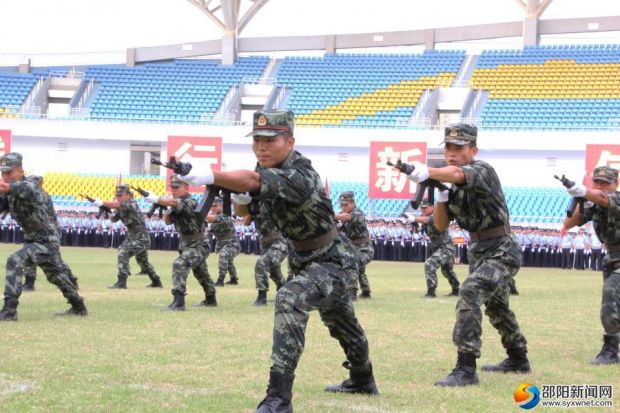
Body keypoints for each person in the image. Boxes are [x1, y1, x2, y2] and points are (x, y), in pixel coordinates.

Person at [183, 109, 378, 412]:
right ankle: (363, 378)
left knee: (289, 298)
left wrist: (211, 175)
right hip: (301, 259)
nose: (261, 146)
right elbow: (248, 217)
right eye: (257, 139)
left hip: (333, 260)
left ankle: (278, 399)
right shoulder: (263, 170)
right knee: (342, 322)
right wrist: (243, 200)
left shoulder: (301, 174)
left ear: (289, 142)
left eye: (269, 139)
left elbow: (252, 179)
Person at [403, 124, 530, 386]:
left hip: (502, 248)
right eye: (448, 147)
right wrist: (440, 196)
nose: (451, 152)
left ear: (473, 149)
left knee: (470, 291)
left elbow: (459, 173)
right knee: (497, 306)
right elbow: (440, 225)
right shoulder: (450, 185)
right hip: (478, 251)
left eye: (458, 147)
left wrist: (428, 171)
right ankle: (518, 357)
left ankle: (466, 368)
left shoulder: (483, 171)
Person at [0, 153, 87, 320]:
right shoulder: (9, 193)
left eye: (9, 172)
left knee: (15, 260)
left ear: (20, 171)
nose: (6, 177)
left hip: (47, 237)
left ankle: (9, 310)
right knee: (55, 275)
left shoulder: (29, 185)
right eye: (3, 173)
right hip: (32, 237)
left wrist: (6, 187)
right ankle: (79, 306)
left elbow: (18, 189)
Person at [563, 165, 620, 365]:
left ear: (616, 184)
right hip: (612, 256)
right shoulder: (593, 203)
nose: (601, 186)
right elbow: (568, 223)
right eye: (597, 182)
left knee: (611, 293)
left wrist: (585, 192)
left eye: (606, 183)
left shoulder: (616, 198)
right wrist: (579, 200)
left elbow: (604, 199)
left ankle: (610, 350)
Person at [144, 176, 217, 310]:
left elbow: (178, 204)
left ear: (187, 187)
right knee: (200, 272)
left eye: (177, 187)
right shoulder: (174, 203)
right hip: (186, 244)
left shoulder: (192, 202)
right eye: (172, 188)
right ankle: (211, 299)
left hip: (199, 244)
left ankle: (179, 302)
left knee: (180, 264)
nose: (174, 190)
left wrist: (159, 200)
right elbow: (167, 221)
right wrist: (165, 208)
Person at [89, 184, 163, 289]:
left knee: (123, 252)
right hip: (132, 235)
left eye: (120, 195)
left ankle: (122, 281)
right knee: (142, 261)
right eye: (117, 195)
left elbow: (115, 205)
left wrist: (100, 202)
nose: (118, 197)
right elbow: (114, 219)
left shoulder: (131, 203)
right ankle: (156, 281)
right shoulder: (120, 206)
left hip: (141, 236)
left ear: (128, 195)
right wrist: (108, 211)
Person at [22, 174, 79, 292]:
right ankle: (29, 283)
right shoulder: (36, 195)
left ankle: (71, 280)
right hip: (35, 230)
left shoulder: (42, 196)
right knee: (28, 255)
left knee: (55, 260)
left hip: (48, 231)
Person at [235, 199, 287, 306]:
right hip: (265, 244)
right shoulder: (254, 205)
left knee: (262, 263)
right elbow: (245, 222)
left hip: (279, 241)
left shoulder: (271, 201)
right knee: (275, 273)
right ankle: (285, 295)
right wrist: (248, 205)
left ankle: (261, 298)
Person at [408, 200, 459, 298]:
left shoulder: (436, 215)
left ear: (432, 207)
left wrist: (414, 218)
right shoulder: (423, 217)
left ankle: (431, 292)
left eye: (425, 207)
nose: (423, 209)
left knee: (430, 264)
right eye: (422, 208)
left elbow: (428, 220)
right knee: (447, 270)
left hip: (446, 246)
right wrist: (414, 223)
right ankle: (456, 290)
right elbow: (417, 231)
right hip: (438, 247)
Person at [335, 191, 374, 299]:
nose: (343, 207)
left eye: (346, 204)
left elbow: (347, 217)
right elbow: (338, 230)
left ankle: (352, 293)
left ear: (353, 203)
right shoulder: (341, 215)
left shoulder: (358, 213)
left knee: (353, 263)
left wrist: (332, 216)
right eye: (341, 204)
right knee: (359, 269)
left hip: (365, 249)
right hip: (352, 248)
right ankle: (366, 292)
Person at [206, 197, 241, 286]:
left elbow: (212, 219)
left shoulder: (225, 215)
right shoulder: (213, 217)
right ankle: (234, 279)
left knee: (224, 256)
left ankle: (220, 280)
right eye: (212, 206)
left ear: (221, 206)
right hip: (222, 244)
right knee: (228, 262)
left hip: (232, 244)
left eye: (215, 206)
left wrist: (199, 215)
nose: (213, 208)